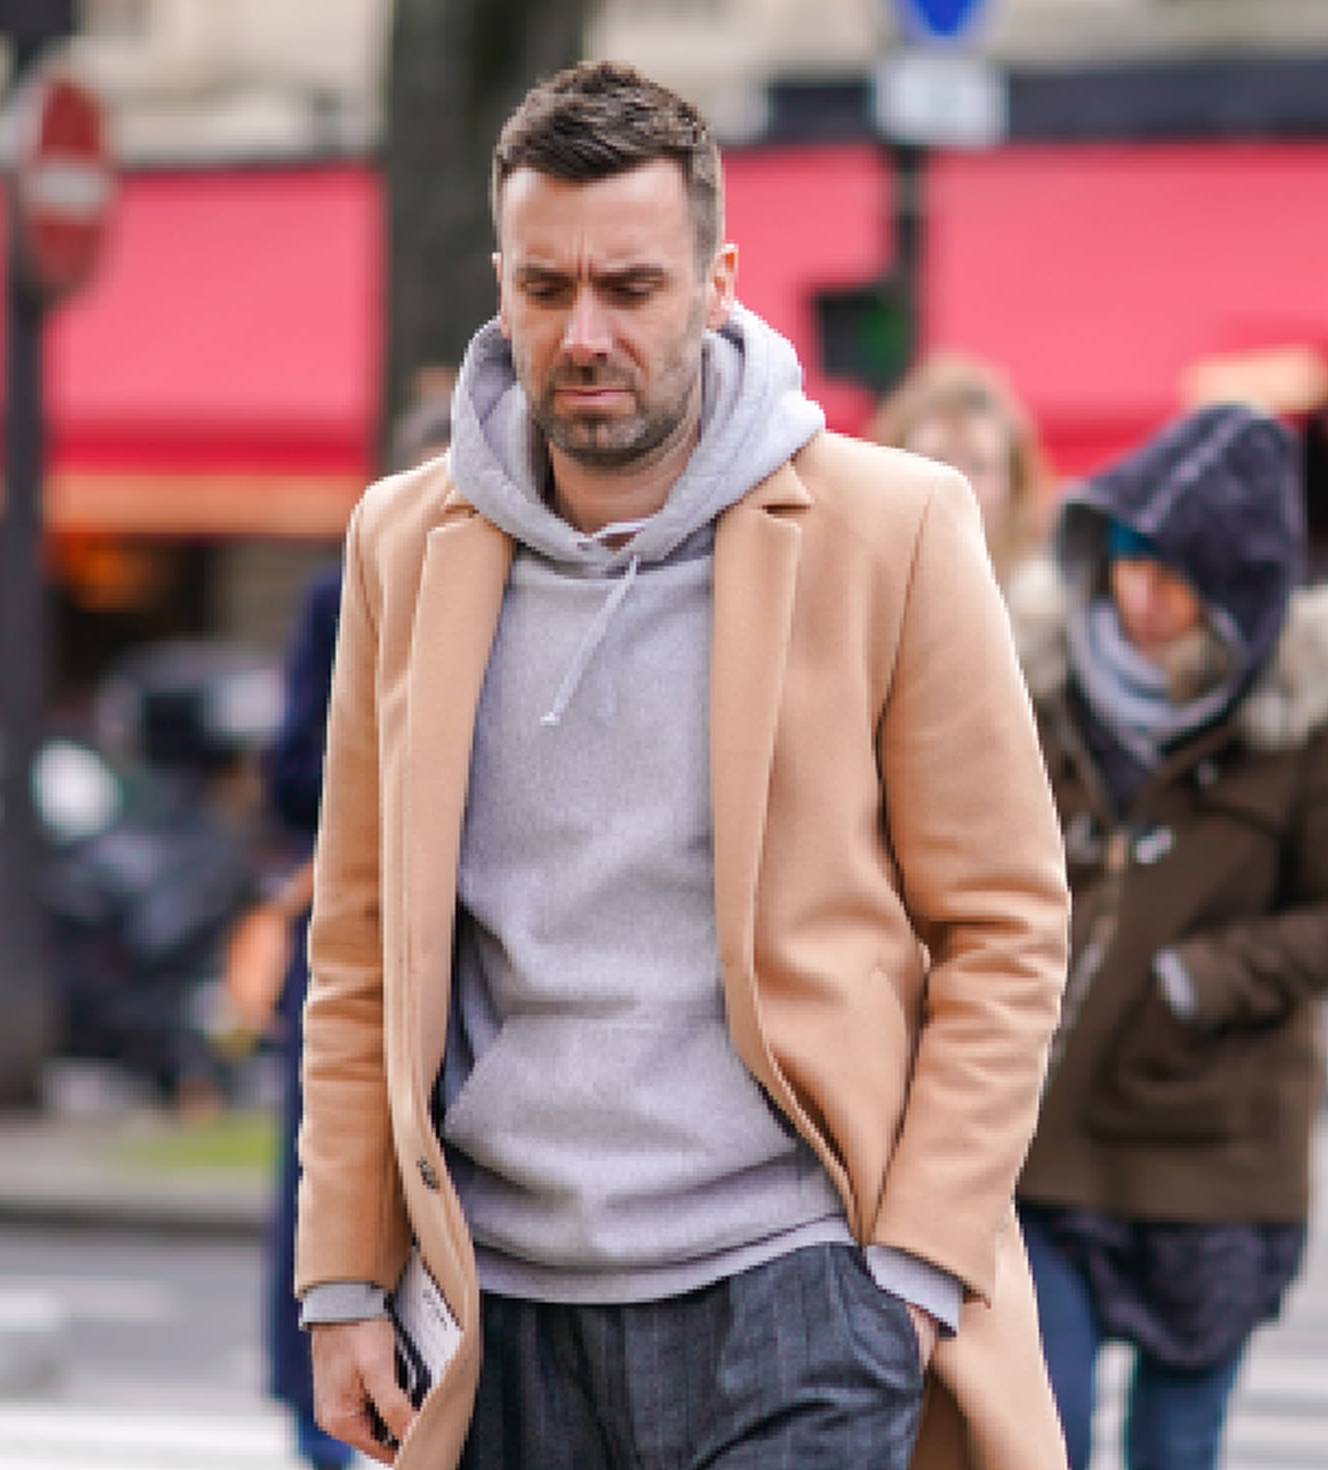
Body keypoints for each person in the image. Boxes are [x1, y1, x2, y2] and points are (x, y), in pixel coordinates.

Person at [295, 61, 1070, 1470]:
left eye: (631, 288)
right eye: (545, 289)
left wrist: (912, 1267)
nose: (584, 333)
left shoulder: (891, 529)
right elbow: (358, 942)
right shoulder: (402, 547)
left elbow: (1007, 924)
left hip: (797, 1284)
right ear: (501, 282)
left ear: (717, 283)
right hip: (502, 1305)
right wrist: (345, 1275)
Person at [1011, 404, 1328, 1470]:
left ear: (1235, 587)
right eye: (1127, 559)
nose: (1140, 595)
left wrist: (1201, 980)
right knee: (1042, 1437)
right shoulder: (1044, 685)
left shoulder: (1312, 721)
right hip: (1049, 1136)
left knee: (1175, 1449)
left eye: (1174, 573)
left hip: (1219, 1153)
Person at [251, 386, 455, 1470]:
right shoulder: (346, 596)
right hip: (359, 934)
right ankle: (321, 1425)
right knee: (323, 1182)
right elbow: (291, 775)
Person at [868, 354, 1051, 587]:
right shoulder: (862, 590)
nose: (957, 485)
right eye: (935, 462)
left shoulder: (1062, 603)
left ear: (1015, 485)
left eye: (979, 466)